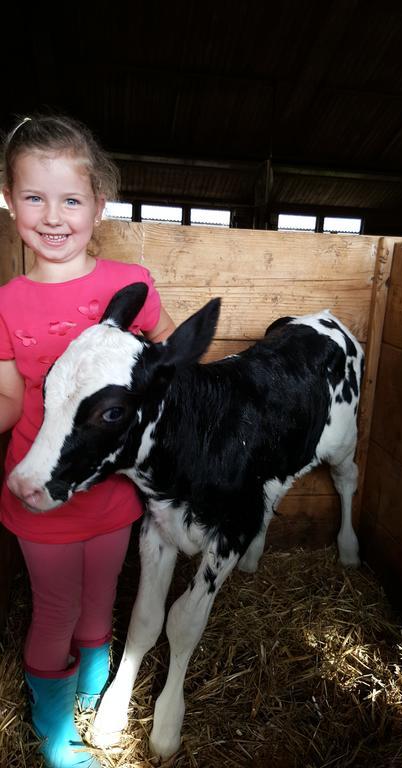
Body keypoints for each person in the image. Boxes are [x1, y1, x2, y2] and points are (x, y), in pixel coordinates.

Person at [0, 113, 175, 768]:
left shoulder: (129, 287)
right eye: (33, 197)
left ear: (99, 204)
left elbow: (164, 372)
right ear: (10, 201)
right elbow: (11, 399)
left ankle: (91, 697)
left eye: (70, 198)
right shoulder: (8, 302)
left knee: (99, 604)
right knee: (55, 608)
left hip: (108, 495)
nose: (52, 216)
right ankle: (53, 735)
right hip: (38, 492)